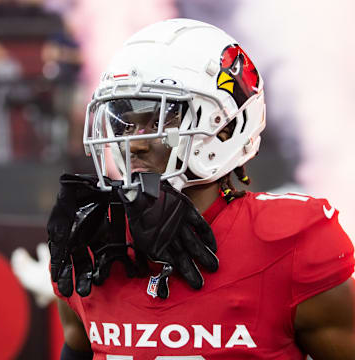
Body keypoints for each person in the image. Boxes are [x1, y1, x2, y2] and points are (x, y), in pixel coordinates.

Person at [49, 19, 355, 359]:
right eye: (125, 121)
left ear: (225, 128)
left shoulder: (290, 243)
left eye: (161, 119)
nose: (133, 143)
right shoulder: (99, 246)